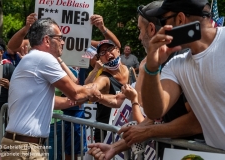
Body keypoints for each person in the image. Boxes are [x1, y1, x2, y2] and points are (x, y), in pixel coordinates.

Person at [87, 1, 205, 159]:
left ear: (150, 28)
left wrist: (146, 129)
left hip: (195, 153)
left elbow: (196, 121)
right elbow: (152, 119)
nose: (139, 36)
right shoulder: (165, 62)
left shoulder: (182, 59)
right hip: (170, 152)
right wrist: (114, 147)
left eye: (140, 30)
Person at [0, 17, 101, 160]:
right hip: (25, 149)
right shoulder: (43, 58)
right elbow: (76, 93)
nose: (63, 42)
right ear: (47, 40)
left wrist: (74, 100)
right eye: (59, 38)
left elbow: (51, 101)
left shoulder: (33, 58)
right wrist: (94, 88)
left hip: (21, 146)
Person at [141, 0, 225, 150]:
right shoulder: (176, 65)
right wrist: (152, 67)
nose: (161, 27)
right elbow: (155, 111)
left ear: (180, 19)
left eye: (163, 20)